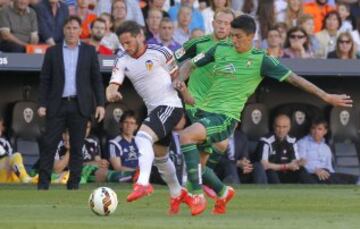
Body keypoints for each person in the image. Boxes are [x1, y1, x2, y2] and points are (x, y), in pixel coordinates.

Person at [174, 14, 353, 216]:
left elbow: (295, 79)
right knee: (199, 167)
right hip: (204, 111)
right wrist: (180, 80)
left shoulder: (261, 59)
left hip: (226, 117)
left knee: (185, 136)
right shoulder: (220, 48)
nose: (233, 40)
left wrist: (325, 96)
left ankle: (196, 196)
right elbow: (190, 64)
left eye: (238, 36)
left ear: (251, 36)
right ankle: (223, 192)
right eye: (232, 35)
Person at [106, 21, 189, 215]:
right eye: (122, 43)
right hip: (155, 111)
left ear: (140, 36)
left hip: (170, 105)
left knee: (142, 137)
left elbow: (178, 76)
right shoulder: (122, 60)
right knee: (161, 158)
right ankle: (178, 193)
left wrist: (182, 85)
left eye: (129, 42)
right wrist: (111, 94)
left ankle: (142, 183)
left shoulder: (161, 52)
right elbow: (112, 85)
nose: (126, 47)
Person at [174, 7, 236, 216]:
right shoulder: (198, 43)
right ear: (213, 22)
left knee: (199, 163)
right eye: (220, 22)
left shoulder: (235, 49)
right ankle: (197, 195)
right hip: (196, 105)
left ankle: (220, 190)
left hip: (219, 108)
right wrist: (178, 82)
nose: (222, 26)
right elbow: (176, 58)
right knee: (201, 149)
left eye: (227, 23)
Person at [37, 16, 105, 190]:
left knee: (77, 146)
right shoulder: (52, 51)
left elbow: (96, 80)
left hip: (79, 104)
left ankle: (73, 184)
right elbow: (45, 80)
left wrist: (100, 104)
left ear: (81, 31)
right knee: (49, 144)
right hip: (56, 104)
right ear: (63, 30)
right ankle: (43, 184)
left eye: (75, 28)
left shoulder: (89, 51)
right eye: (68, 28)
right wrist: (42, 104)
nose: (72, 31)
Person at [297, 118, 360, 184]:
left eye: (319, 129)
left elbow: (329, 167)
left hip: (325, 174)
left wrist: (333, 176)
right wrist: (315, 170)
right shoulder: (302, 143)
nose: (316, 132)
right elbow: (300, 164)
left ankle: (355, 180)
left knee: (334, 176)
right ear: (310, 130)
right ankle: (355, 181)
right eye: (313, 128)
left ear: (325, 131)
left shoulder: (326, 148)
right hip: (310, 174)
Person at [258, 114, 314, 184]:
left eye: (284, 127)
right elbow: (264, 165)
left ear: (289, 127)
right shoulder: (266, 140)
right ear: (273, 126)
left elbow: (295, 162)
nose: (281, 130)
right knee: (270, 172)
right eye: (278, 127)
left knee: (301, 170)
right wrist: (286, 166)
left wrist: (300, 162)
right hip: (272, 173)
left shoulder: (292, 140)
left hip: (286, 172)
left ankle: (315, 191)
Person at [0, 117, 37, 183]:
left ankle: (26, 179)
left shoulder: (4, 142)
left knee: (16, 157)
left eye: (1, 126)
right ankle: (25, 179)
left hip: (6, 175)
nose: (1, 128)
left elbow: (10, 160)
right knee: (15, 156)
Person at [108, 110, 139, 178]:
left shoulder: (140, 141)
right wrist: (136, 172)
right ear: (121, 124)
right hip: (125, 175)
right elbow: (117, 168)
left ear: (136, 126)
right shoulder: (114, 143)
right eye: (126, 122)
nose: (128, 126)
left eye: (132, 123)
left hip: (141, 174)